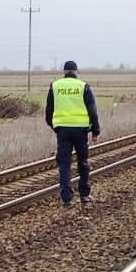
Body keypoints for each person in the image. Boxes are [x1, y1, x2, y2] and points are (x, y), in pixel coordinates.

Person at [46, 60, 100, 207]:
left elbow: (48, 110)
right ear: (76, 71)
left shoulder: (55, 86)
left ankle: (67, 199)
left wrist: (54, 126)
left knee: (64, 164)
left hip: (62, 130)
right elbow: (92, 111)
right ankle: (84, 194)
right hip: (81, 130)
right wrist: (96, 131)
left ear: (64, 71)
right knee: (83, 162)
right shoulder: (83, 86)